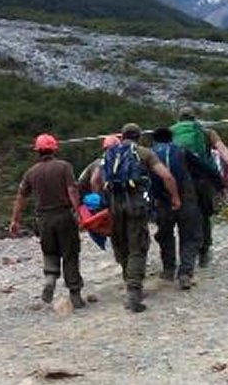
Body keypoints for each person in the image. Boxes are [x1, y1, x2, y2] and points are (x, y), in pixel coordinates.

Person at [87, 123, 180, 312]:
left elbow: (94, 180)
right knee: (138, 246)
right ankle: (134, 291)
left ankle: (128, 280)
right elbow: (167, 176)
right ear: (139, 137)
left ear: (122, 137)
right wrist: (175, 197)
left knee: (121, 244)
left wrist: (101, 201)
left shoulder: (109, 153)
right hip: (136, 205)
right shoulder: (144, 153)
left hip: (113, 205)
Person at [9, 133, 87, 309]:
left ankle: (50, 279)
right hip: (64, 216)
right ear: (54, 149)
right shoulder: (64, 167)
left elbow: (20, 197)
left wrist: (14, 220)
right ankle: (75, 294)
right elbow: (72, 191)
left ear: (38, 151)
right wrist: (79, 212)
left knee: (50, 251)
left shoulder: (31, 172)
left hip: (43, 220)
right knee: (70, 254)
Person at [171, 107, 228, 268]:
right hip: (202, 180)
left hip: (180, 181)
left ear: (179, 119)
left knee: (185, 216)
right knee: (204, 215)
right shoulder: (206, 132)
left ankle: (187, 255)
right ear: (194, 118)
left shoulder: (171, 132)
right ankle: (204, 252)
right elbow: (222, 150)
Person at [150, 127, 202, 290]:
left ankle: (168, 269)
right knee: (189, 235)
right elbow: (203, 168)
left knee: (165, 234)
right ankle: (185, 273)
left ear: (154, 140)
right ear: (171, 138)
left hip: (162, 201)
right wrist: (220, 185)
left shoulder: (150, 154)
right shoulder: (182, 151)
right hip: (186, 198)